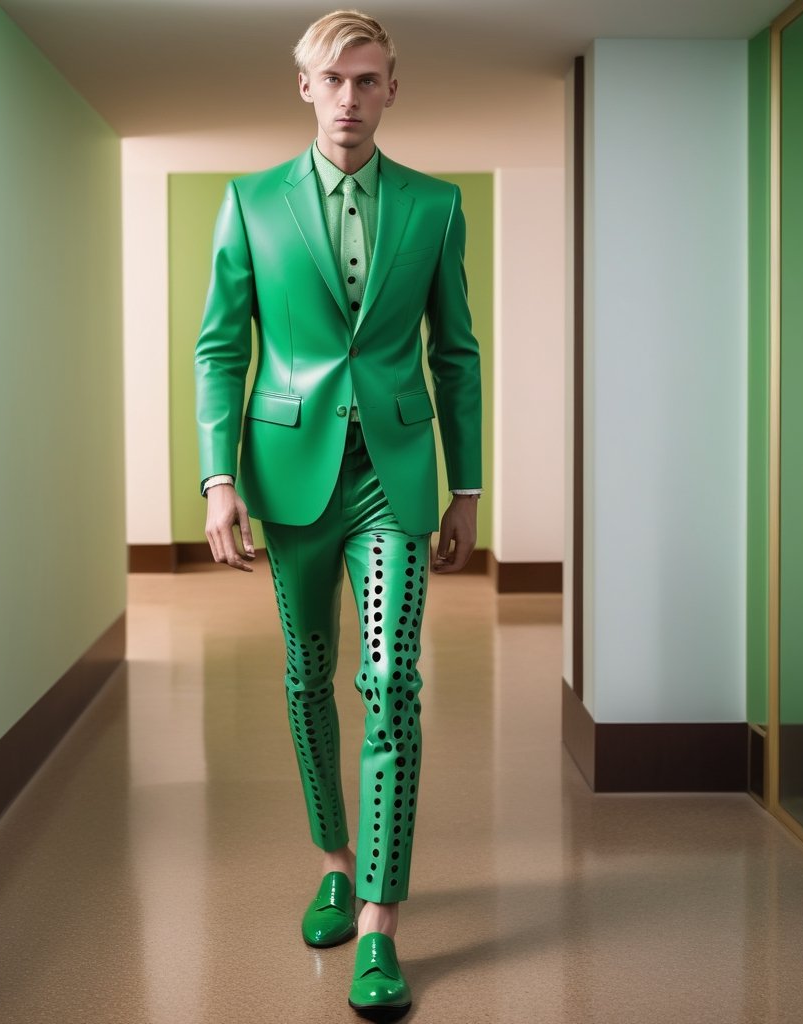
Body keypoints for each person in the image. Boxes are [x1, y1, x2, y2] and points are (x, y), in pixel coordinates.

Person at [194, 9, 481, 1015]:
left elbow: (456, 352)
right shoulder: (250, 202)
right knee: (306, 676)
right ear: (304, 88)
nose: (349, 99)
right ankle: (333, 854)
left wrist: (468, 486)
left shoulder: (434, 207)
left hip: (394, 475)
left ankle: (378, 920)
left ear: (391, 89)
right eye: (332, 80)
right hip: (289, 470)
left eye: (367, 80)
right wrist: (217, 479)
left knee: (390, 675)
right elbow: (221, 346)